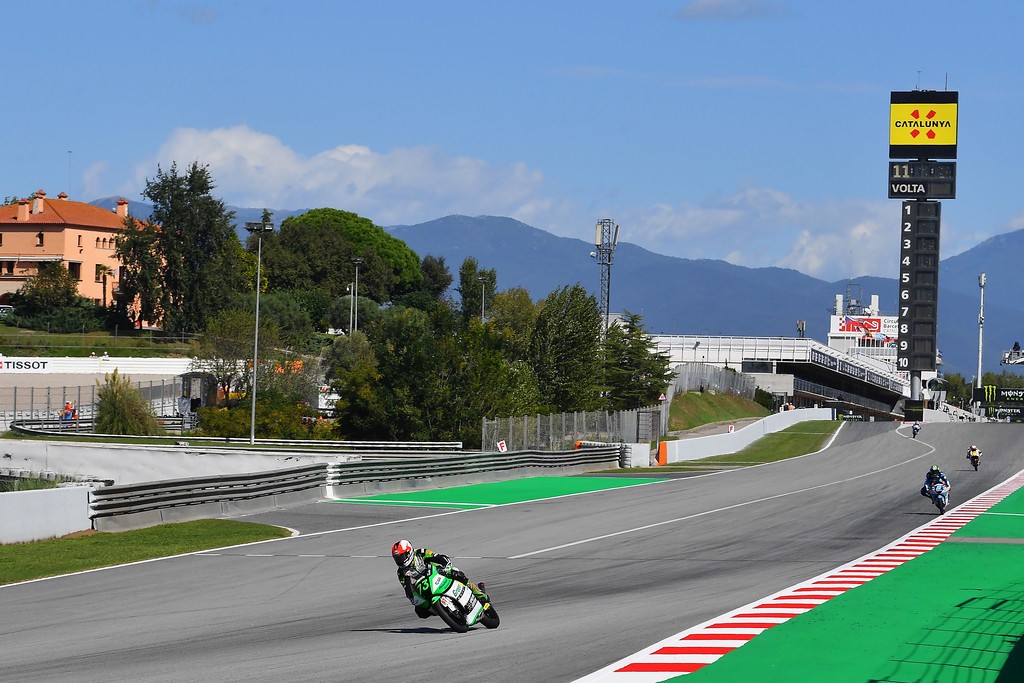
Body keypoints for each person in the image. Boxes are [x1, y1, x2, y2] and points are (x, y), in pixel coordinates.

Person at [392, 539, 489, 619]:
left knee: (457, 574)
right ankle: (442, 610)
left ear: (409, 553)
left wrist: (445, 564)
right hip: (425, 587)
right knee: (420, 612)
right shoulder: (401, 572)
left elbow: (437, 557)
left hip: (438, 573)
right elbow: (408, 590)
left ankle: (480, 594)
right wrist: (414, 599)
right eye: (396, 558)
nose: (399, 561)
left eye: (401, 557)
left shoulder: (421, 553)